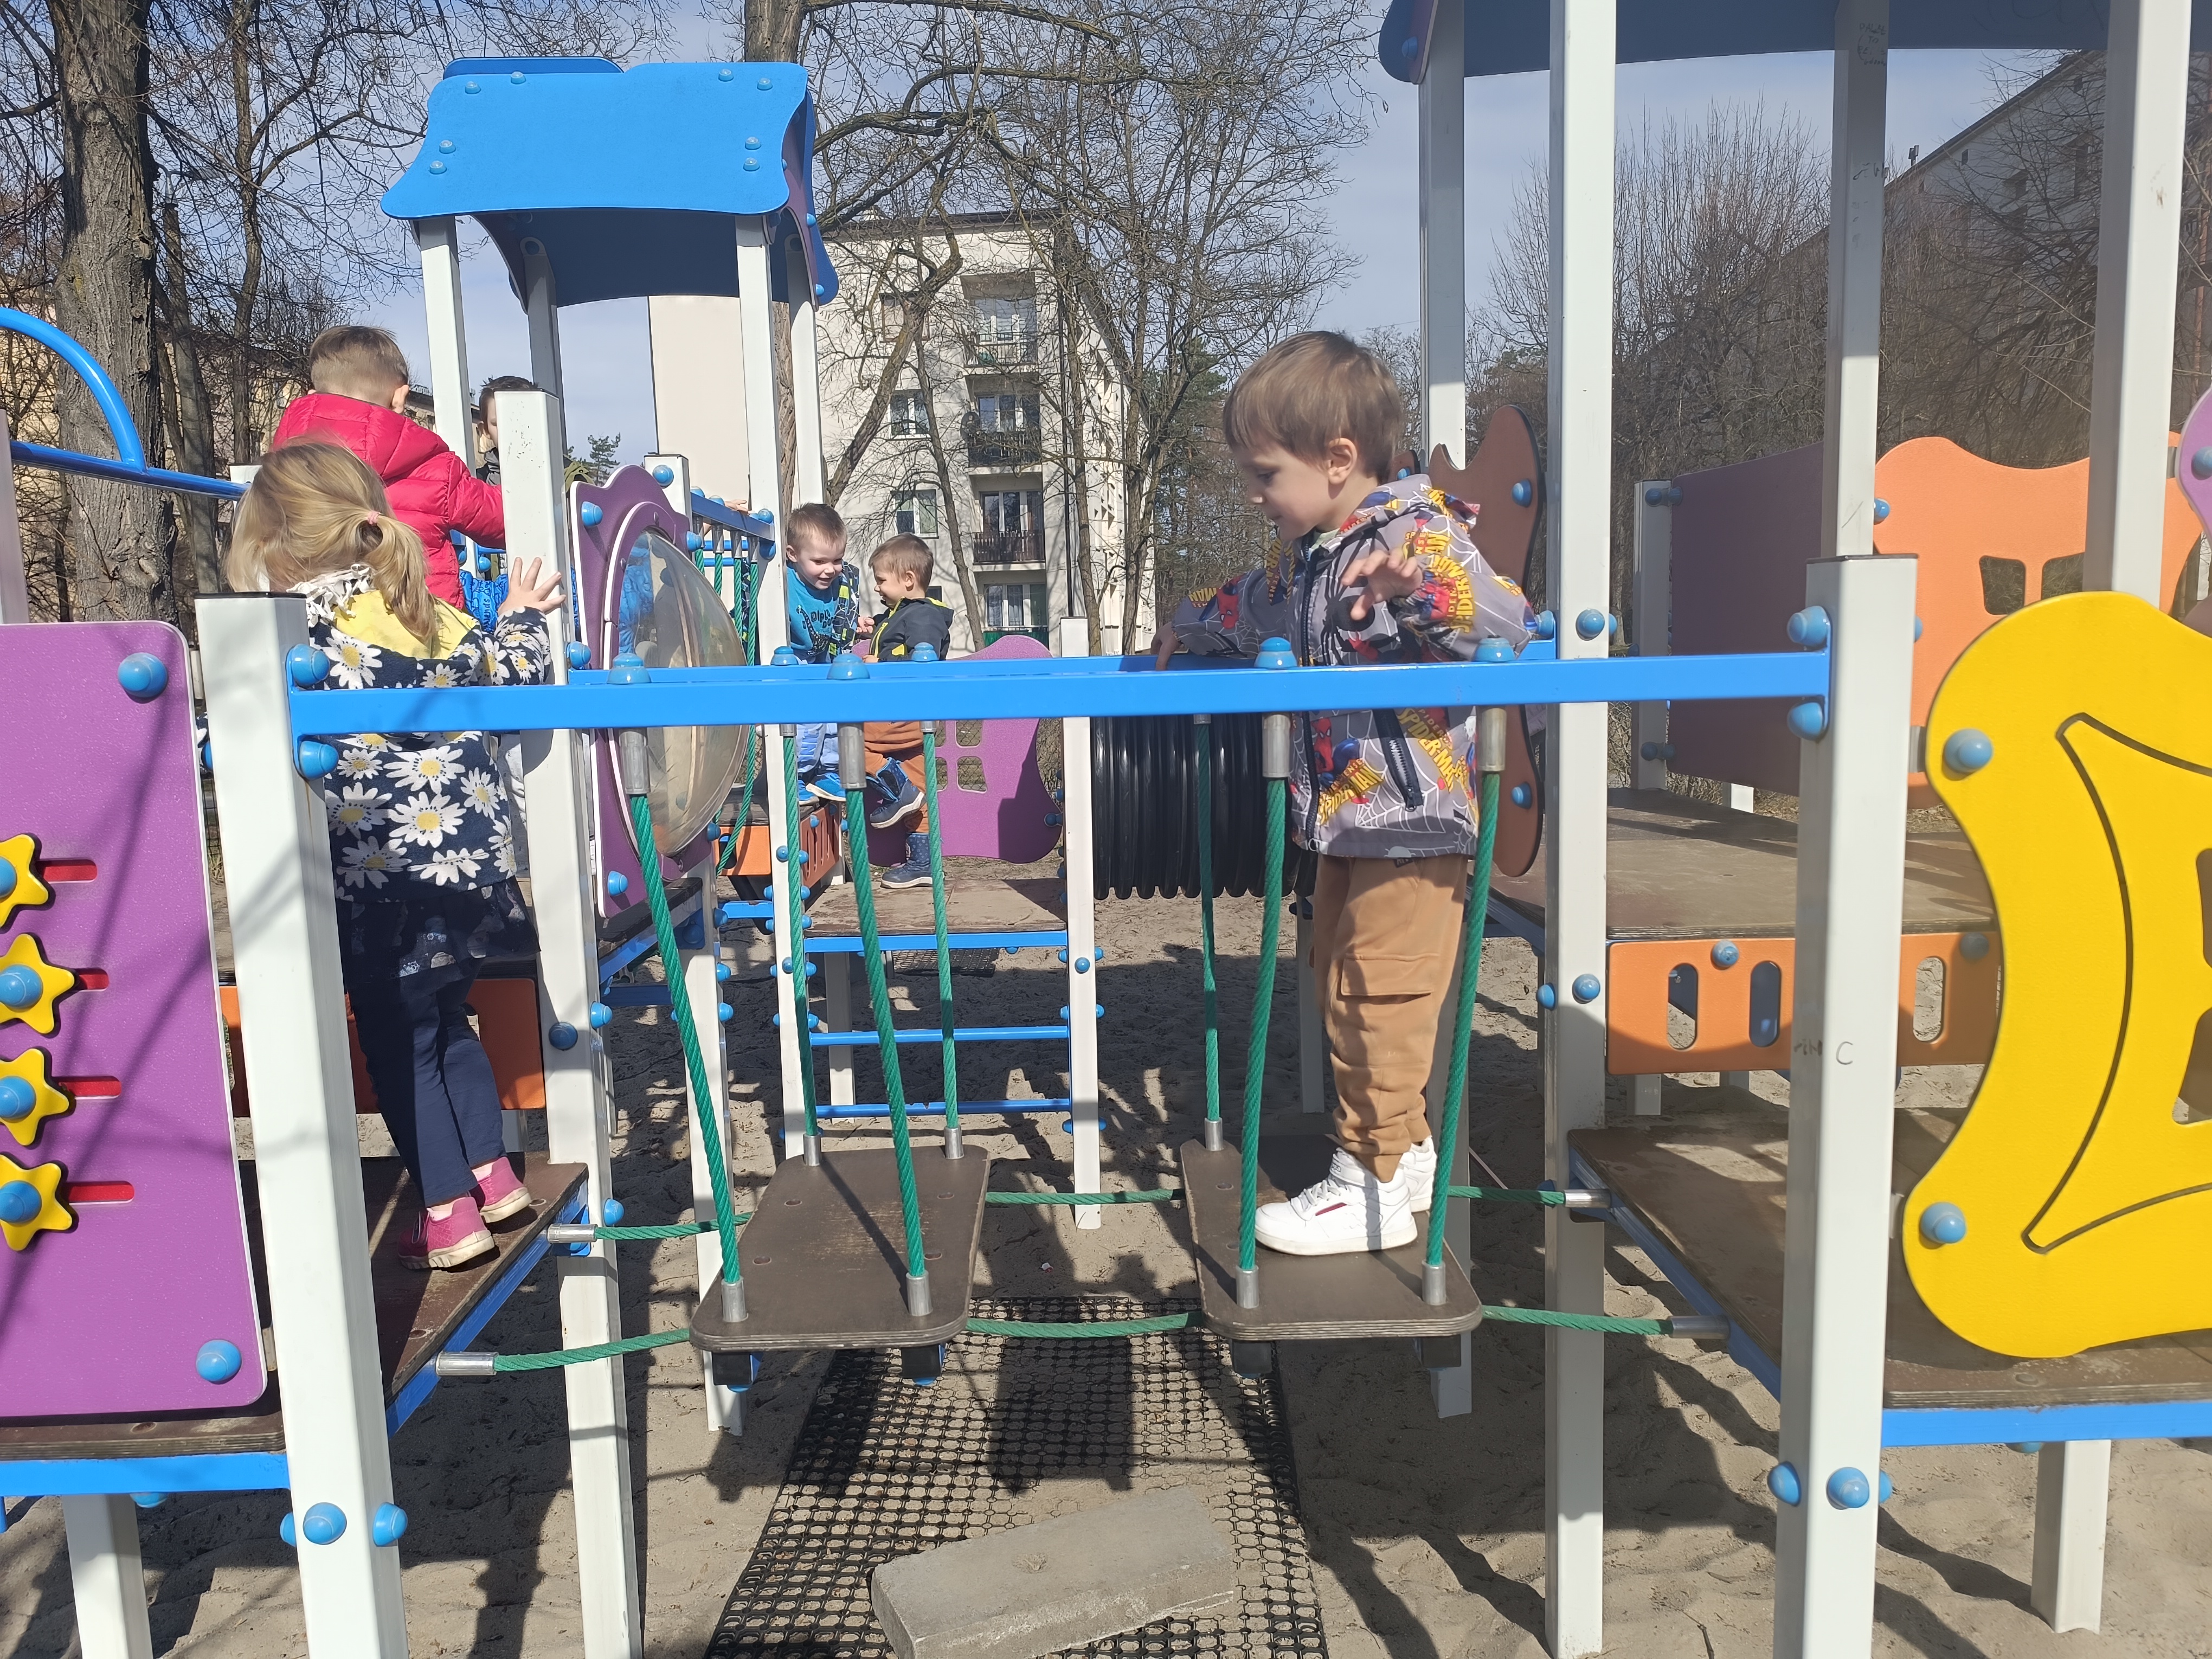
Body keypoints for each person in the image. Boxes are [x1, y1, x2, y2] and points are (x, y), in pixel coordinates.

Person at [1152, 332, 1535, 1256]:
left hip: (1415, 823)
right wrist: (1186, 624)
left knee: (1381, 994)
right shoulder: (1311, 558)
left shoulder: (1417, 532)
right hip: (1340, 825)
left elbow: (1506, 620)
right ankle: (1404, 1153)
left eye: (1265, 474)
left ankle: (1369, 1181)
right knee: (1333, 980)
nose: (1254, 493)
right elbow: (1250, 606)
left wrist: (1418, 592)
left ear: (1337, 459)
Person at [228, 441, 564, 1271]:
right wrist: (522, 612)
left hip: (380, 882)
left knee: (397, 1041)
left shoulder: (298, 630)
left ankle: (446, 1214)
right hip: (473, 877)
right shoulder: (427, 611)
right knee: (448, 1019)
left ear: (275, 540)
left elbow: (243, 724)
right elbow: (516, 672)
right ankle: (493, 1177)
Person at [270, 325, 505, 608]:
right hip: (418, 623)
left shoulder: (280, 473)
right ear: (400, 398)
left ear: (313, 396)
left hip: (316, 626)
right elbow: (505, 520)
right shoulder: (434, 468)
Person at [863, 533, 956, 888]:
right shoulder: (903, 615)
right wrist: (873, 627)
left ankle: (897, 788)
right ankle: (923, 864)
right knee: (921, 788)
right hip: (914, 714)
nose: (877, 587)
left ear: (907, 579)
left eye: (881, 580)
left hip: (904, 713)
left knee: (849, 740)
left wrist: (881, 664)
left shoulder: (924, 616)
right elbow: (897, 637)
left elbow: (922, 659)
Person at [782, 502, 861, 801]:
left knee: (834, 713)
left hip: (823, 657)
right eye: (819, 561)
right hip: (793, 660)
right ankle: (796, 775)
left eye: (837, 560)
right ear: (793, 555)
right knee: (807, 719)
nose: (830, 569)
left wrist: (858, 624)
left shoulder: (838, 584)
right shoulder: (784, 581)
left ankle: (827, 772)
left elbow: (840, 617)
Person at [473, 374, 538, 484]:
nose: (512, 431)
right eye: (498, 424)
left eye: (520, 421)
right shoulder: (476, 484)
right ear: (486, 430)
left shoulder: (564, 476)